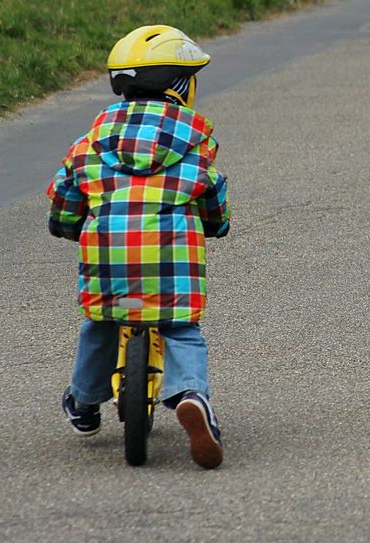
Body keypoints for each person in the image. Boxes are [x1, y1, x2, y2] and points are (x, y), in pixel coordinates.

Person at [46, 25, 230, 469]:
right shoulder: (196, 142)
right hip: (172, 259)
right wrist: (216, 223)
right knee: (181, 329)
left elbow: (65, 192)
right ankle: (191, 395)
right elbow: (212, 192)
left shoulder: (91, 141)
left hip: (107, 257)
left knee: (100, 323)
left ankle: (84, 402)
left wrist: (66, 225)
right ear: (179, 85)